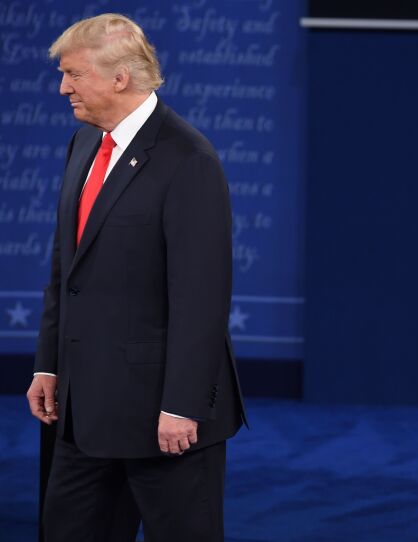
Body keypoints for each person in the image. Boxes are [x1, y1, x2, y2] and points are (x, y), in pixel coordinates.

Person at [25, 13, 246, 542]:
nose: (62, 88)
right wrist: (49, 366)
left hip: (162, 422)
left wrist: (182, 405)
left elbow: (201, 297)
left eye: (74, 74)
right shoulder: (83, 145)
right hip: (81, 412)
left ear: (119, 77)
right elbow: (66, 270)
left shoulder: (188, 159)